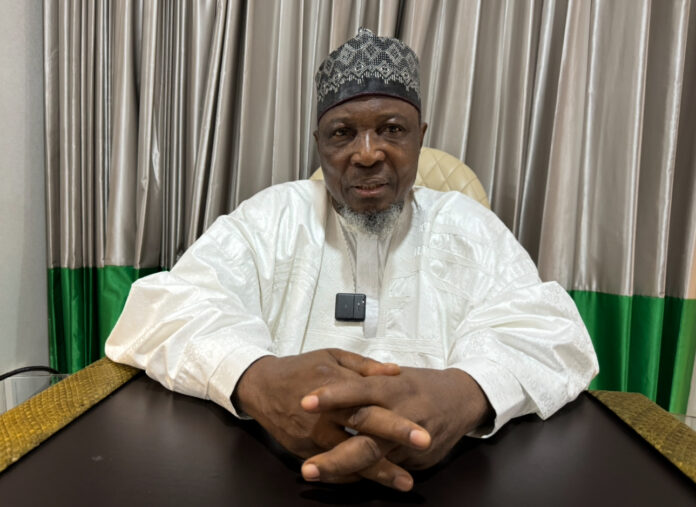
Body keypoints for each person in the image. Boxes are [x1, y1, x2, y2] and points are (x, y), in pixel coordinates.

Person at [105, 28, 598, 492]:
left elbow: (553, 333)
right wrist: (254, 376)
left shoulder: (469, 227)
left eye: (391, 129)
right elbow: (163, 310)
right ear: (318, 144)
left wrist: (467, 392)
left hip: (449, 482)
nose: (367, 154)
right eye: (343, 133)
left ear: (420, 136)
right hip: (277, 479)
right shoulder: (272, 218)